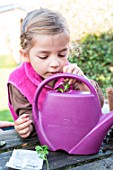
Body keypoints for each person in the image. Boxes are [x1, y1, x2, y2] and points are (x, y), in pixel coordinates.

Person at [7, 8, 104, 139]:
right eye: (43, 56)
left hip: (74, 137)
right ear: (26, 55)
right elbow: (27, 117)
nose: (55, 63)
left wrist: (83, 83)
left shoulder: (70, 74)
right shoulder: (19, 82)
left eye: (62, 54)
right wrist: (26, 127)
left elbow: (98, 106)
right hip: (43, 143)